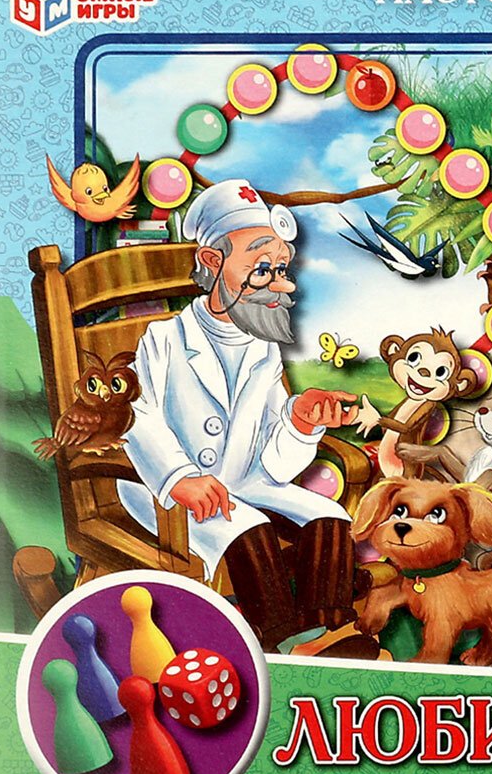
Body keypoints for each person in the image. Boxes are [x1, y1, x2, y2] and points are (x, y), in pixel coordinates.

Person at [118, 179, 361, 648]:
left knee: (328, 518)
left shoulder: (262, 347)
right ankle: (282, 642)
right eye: (262, 269)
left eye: (281, 269)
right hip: (166, 491)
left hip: (243, 480)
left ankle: (329, 635)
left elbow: (275, 464)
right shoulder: (164, 339)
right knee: (249, 531)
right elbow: (137, 415)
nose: (281, 285)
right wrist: (179, 476)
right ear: (212, 261)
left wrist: (300, 423)